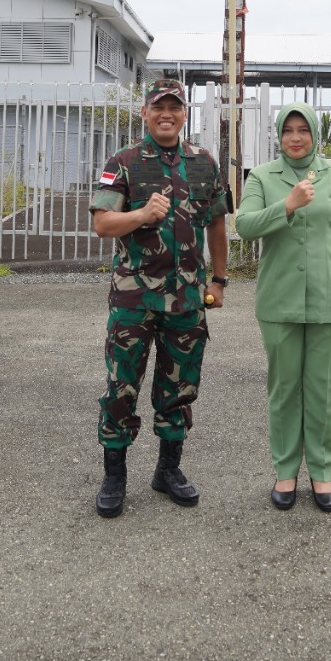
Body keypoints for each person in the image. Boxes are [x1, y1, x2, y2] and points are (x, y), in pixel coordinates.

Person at [89, 78, 229, 518]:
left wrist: (219, 281)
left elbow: (217, 225)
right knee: (121, 387)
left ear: (185, 114)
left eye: (175, 106)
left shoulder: (204, 163)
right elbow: (102, 224)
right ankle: (115, 475)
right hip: (134, 300)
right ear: (146, 113)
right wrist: (142, 214)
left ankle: (168, 470)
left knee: (179, 388)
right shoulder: (123, 162)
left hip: (187, 299)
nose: (167, 113)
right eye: (158, 107)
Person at [235, 102, 331, 512]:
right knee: (285, 389)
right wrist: (287, 205)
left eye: (303, 129)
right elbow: (243, 226)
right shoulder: (261, 176)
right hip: (279, 299)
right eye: (288, 129)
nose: (295, 137)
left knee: (323, 390)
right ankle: (285, 471)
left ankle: (323, 473)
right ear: (278, 134)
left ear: (314, 133)